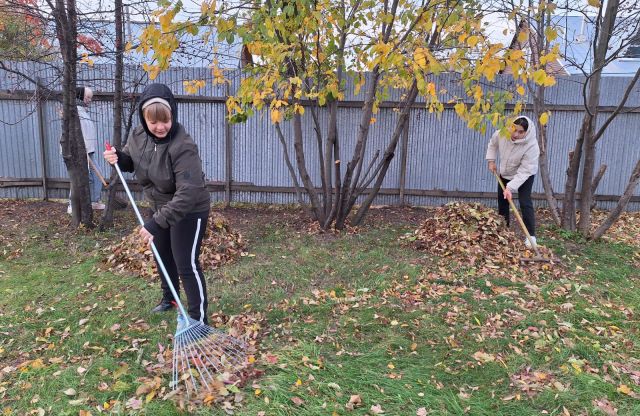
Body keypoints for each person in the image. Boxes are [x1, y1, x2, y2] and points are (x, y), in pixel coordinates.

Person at [103, 83, 211, 323]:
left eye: (165, 120)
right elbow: (132, 162)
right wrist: (118, 158)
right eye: (153, 122)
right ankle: (170, 298)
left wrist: (155, 223)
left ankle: (198, 319)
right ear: (144, 119)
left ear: (172, 114)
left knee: (186, 263)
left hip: (189, 209)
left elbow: (188, 192)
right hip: (158, 204)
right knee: (162, 254)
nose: (160, 127)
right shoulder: (139, 135)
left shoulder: (183, 146)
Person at [486, 116, 540, 248]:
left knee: (524, 201)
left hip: (524, 175)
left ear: (526, 133)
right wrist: (491, 160)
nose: (516, 134)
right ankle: (504, 229)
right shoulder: (502, 134)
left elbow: (524, 171)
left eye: (521, 132)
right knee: (502, 200)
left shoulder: (532, 146)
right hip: (505, 172)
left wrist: (510, 187)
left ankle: (531, 236)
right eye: (514, 129)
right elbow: (493, 144)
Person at [68, 86, 105, 213]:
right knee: (80, 177)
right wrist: (80, 150)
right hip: (79, 151)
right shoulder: (75, 112)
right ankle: (72, 205)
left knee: (92, 177)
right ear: (79, 96)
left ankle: (93, 201)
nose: (89, 100)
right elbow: (73, 134)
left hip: (88, 150)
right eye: (87, 97)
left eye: (91, 98)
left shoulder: (82, 111)